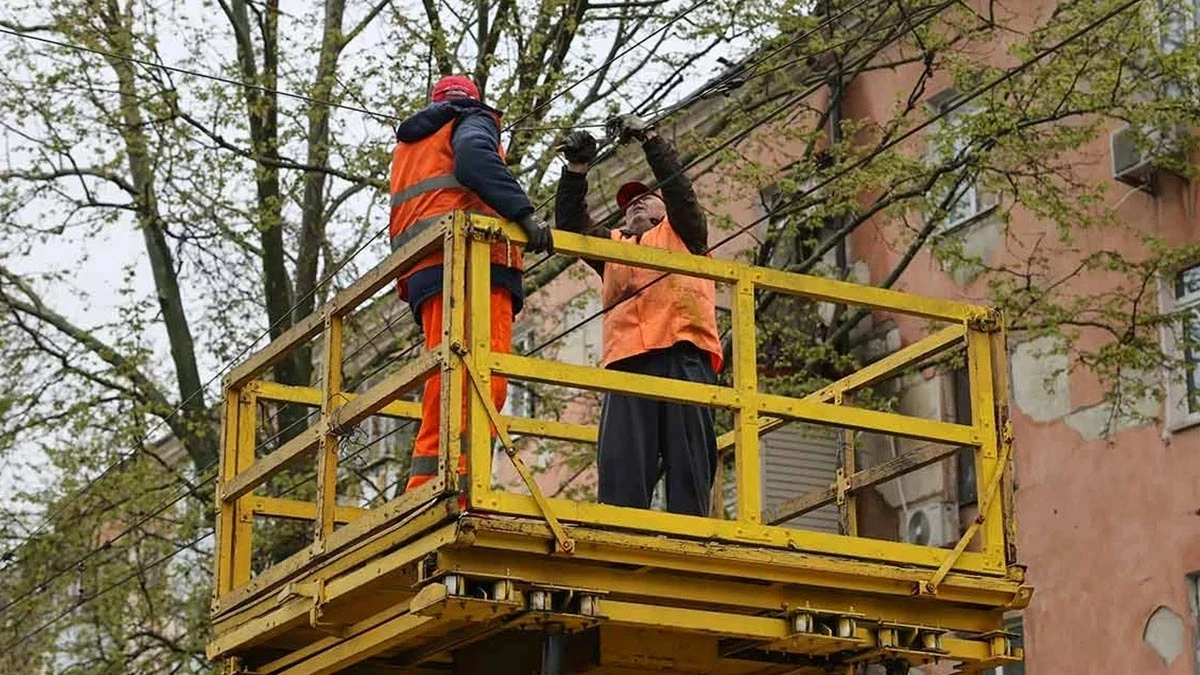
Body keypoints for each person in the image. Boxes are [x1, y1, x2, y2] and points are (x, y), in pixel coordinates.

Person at [389, 74, 553, 495]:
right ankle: (455, 486)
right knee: (479, 380)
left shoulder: (411, 144)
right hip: (472, 262)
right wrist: (524, 215)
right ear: (472, 101)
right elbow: (475, 161)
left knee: (448, 375)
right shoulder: (471, 119)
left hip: (427, 267)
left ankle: (436, 482)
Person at [554, 114, 723, 517]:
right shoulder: (613, 247)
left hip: (684, 356)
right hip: (627, 364)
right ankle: (620, 541)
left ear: (664, 209)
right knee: (621, 468)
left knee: (689, 465)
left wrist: (650, 139)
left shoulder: (684, 233)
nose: (633, 202)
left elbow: (680, 191)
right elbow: (572, 224)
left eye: (645, 197)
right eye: (628, 202)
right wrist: (577, 170)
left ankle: (692, 544)